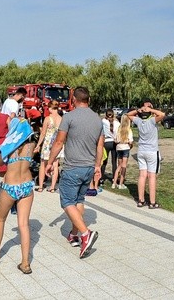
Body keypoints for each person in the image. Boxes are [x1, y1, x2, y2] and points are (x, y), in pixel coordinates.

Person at [45, 86, 103, 259]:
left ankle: (86, 234)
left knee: (67, 202)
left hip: (73, 167)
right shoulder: (97, 119)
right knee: (79, 200)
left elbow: (59, 142)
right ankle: (74, 234)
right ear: (89, 100)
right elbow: (100, 145)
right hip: (88, 168)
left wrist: (49, 162)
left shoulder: (69, 117)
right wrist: (97, 166)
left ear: (74, 100)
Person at [0, 115, 40, 274]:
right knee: (24, 224)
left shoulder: (9, 145)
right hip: (27, 185)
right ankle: (25, 263)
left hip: (11, 186)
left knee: (0, 219)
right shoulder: (31, 144)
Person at [126, 99, 167, 209]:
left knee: (142, 175)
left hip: (141, 151)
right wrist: (150, 109)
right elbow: (162, 114)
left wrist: (138, 110)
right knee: (152, 176)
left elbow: (128, 114)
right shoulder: (152, 121)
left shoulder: (139, 121)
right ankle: (152, 202)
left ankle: (141, 200)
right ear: (150, 114)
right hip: (152, 151)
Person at [34, 100, 62, 192]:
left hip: (48, 143)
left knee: (43, 164)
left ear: (50, 108)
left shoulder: (47, 118)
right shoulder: (61, 119)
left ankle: (41, 186)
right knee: (55, 164)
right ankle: (53, 187)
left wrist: (38, 145)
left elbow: (43, 133)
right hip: (57, 143)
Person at [113, 114, 133, 189]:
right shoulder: (128, 130)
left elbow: (116, 140)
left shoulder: (118, 129)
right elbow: (130, 141)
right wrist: (130, 145)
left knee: (119, 166)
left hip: (119, 147)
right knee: (124, 166)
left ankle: (114, 182)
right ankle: (121, 184)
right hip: (125, 147)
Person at [101, 110, 118, 183]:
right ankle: (114, 177)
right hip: (114, 142)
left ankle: (101, 178)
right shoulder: (117, 123)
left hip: (106, 142)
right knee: (114, 162)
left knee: (104, 160)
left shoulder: (104, 121)